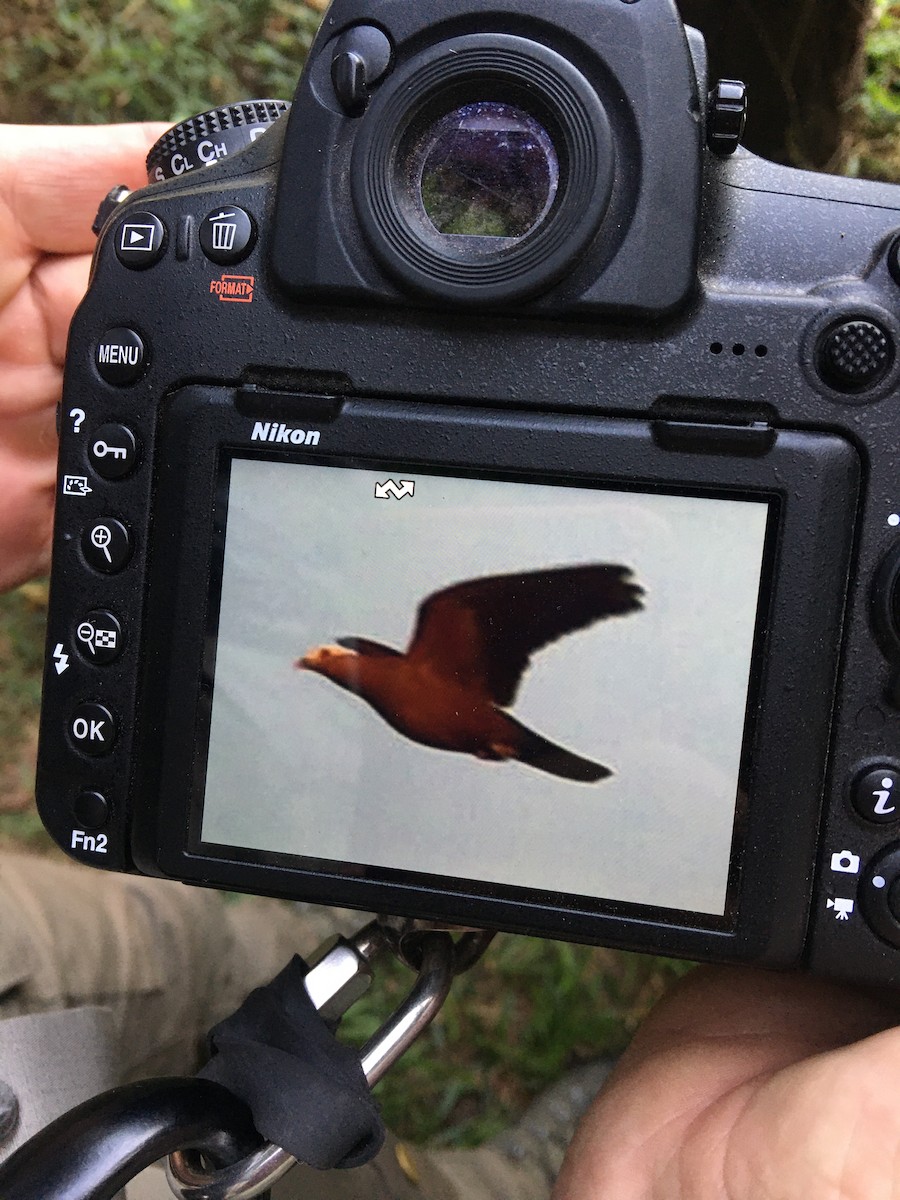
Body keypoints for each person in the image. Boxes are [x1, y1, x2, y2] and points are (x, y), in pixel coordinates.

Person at [2, 122, 900, 1200]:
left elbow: (516, 607)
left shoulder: (440, 627)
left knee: (173, 947)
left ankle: (320, 937)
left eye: (334, 652)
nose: (322, 660)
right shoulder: (394, 672)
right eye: (328, 656)